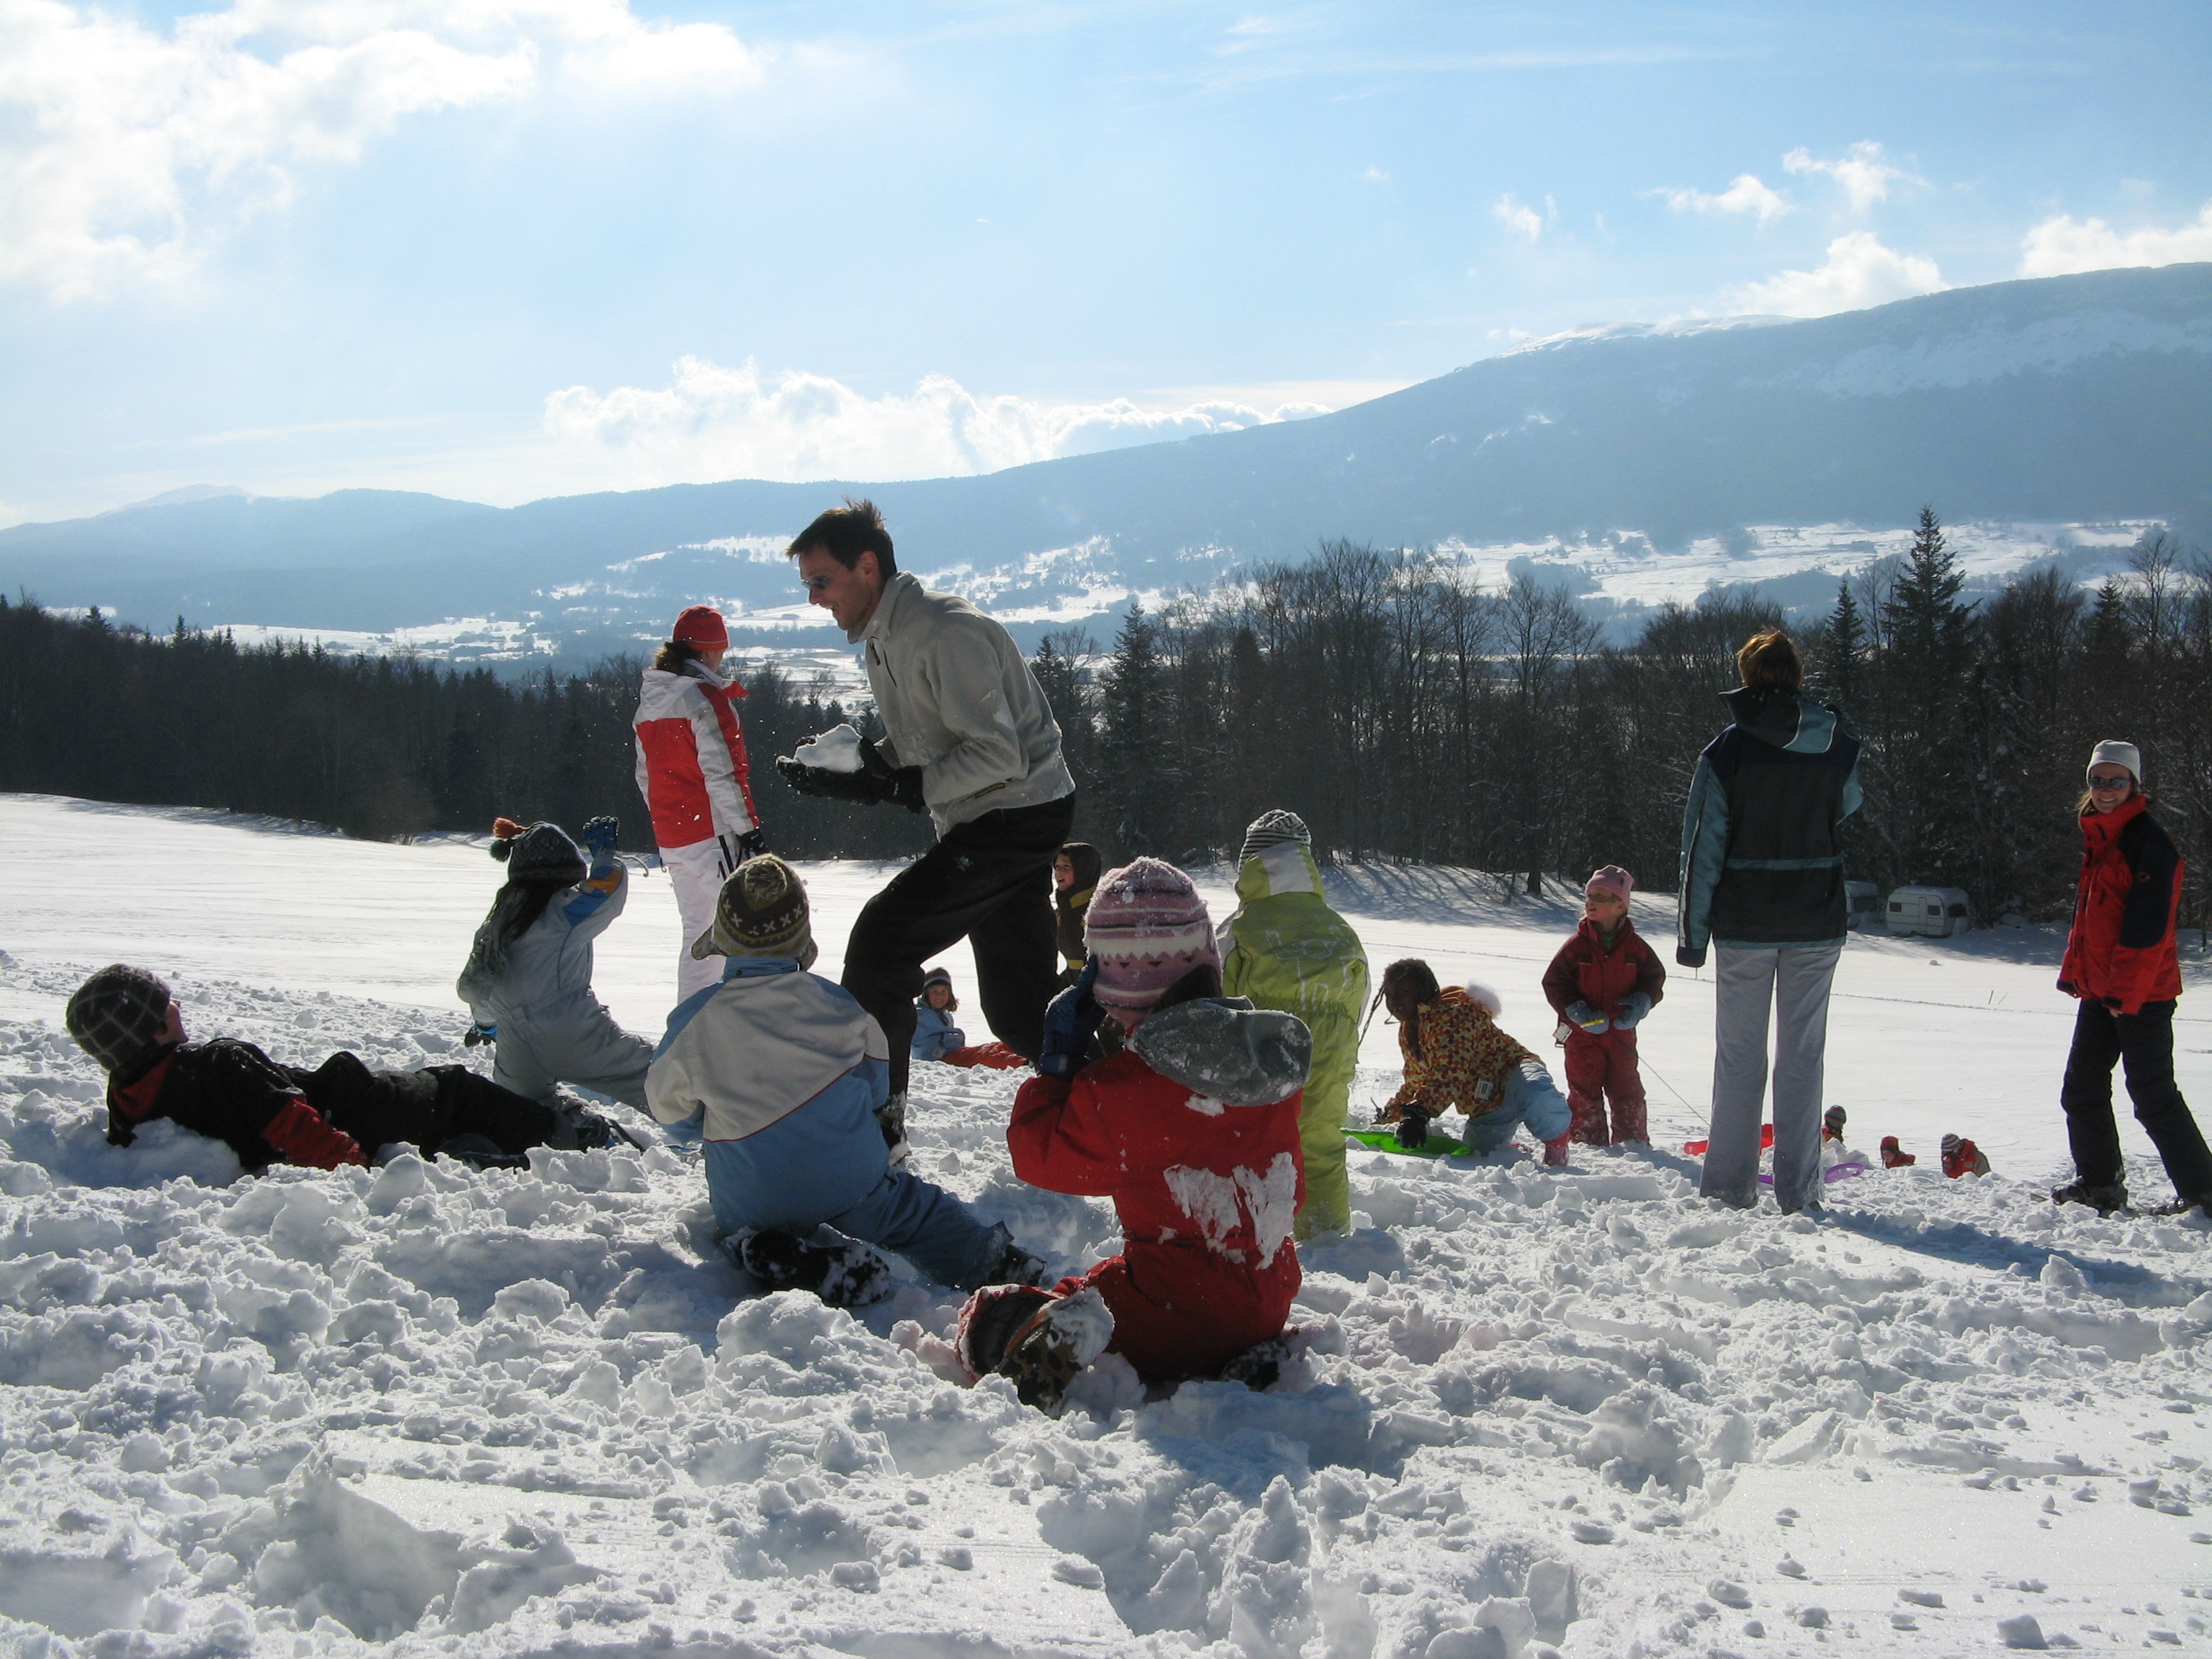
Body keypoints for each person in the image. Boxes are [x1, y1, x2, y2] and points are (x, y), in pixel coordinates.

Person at [953, 859, 1311, 1411]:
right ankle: (1242, 1358)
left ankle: (1020, 1348)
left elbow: (1040, 1158)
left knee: (1027, 1309)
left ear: (1111, 986)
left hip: (1171, 1313)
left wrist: (1055, 1070)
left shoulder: (1122, 1087)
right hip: (1271, 1295)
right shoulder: (1266, 1066)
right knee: (1118, 1280)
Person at [773, 499, 1076, 1143]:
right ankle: (1133, 1095)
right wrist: (856, 774)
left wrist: (902, 785)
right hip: (995, 817)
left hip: (1015, 815)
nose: (814, 600)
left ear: (866, 567)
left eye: (821, 581)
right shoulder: (888, 639)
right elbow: (923, 744)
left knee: (884, 941)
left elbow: (998, 755)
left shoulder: (943, 631)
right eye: (807, 585)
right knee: (1022, 1015)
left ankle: (875, 1134)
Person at [645, 854, 1043, 1305]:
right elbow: (875, 1088)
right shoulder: (838, 1005)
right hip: (852, 1178)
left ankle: (759, 1248)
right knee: (911, 1213)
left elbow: (670, 1113)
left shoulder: (695, 1022)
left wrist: (706, 1125)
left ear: (722, 941)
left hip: (753, 1192)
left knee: (740, 1227)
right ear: (801, 940)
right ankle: (994, 1263)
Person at [66, 966, 621, 1173]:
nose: (178, 1008)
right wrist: (358, 1167)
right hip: (352, 1108)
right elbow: (290, 1122)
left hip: (343, 1111)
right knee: (453, 1088)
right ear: (151, 1028)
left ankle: (462, 1147)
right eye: (166, 1006)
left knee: (443, 1101)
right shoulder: (217, 1062)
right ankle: (566, 1136)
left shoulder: (129, 1096)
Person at [1676, 629, 1861, 1215]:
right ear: (1799, 676)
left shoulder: (1726, 752)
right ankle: (1799, 1192)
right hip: (1816, 914)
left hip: (1746, 921)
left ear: (1747, 676)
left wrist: (1692, 935)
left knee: (1739, 1059)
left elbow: (1702, 849)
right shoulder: (1836, 741)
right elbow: (1849, 804)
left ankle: (1729, 1189)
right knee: (1803, 1058)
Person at [2051, 739, 2212, 1217]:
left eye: (2116, 781)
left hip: (2142, 993)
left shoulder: (2149, 842)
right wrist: (2078, 976)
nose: (2105, 790)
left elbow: (2147, 930)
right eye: (2097, 780)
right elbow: (2093, 922)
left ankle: (2203, 1192)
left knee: (2153, 1094)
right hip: (2102, 990)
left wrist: (2124, 993)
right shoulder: (2101, 838)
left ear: (2133, 784)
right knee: (2081, 1088)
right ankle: (2101, 1185)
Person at [1216, 810, 1369, 1238]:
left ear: (1250, 864)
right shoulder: (1341, 931)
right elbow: (1360, 998)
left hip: (1258, 1058)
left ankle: (1255, 1235)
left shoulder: (1240, 930)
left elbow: (1214, 996)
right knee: (1319, 1141)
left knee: (1253, 1144)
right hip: (1329, 1056)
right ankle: (1327, 1234)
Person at [457, 817, 655, 1109]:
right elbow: (605, 892)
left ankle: (572, 1131)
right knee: (660, 1077)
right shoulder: (563, 911)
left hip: (514, 1043)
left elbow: (480, 982)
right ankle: (719, 1133)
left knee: (526, 1111)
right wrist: (607, 856)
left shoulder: (497, 922)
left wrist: (486, 1024)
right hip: (572, 1033)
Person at [634, 605, 765, 1004]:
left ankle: (689, 1026)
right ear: (710, 651)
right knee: (749, 930)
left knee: (699, 933)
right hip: (713, 834)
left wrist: (667, 820)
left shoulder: (651, 702)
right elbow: (725, 770)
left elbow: (645, 775)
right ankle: (750, 1028)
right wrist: (748, 828)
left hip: (673, 837)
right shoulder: (703, 698)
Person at [1376, 961, 1573, 1164]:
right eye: (1388, 995)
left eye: (1402, 992)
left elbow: (1450, 1071)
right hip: (1486, 1102)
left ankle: (1557, 1145)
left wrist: (1420, 1112)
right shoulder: (1411, 1030)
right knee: (1479, 1155)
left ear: (1422, 990)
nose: (1393, 1001)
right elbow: (1418, 1080)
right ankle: (1510, 1150)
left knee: (1539, 1095)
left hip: (1514, 1073)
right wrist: (1393, 1112)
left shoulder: (1453, 1015)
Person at [1541, 865, 1665, 1146]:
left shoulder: (1637, 948)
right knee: (1584, 1088)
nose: (1591, 902)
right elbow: (1554, 983)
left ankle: (1632, 1142)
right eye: (1589, 896)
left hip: (1620, 1032)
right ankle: (1588, 1142)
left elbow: (1653, 979)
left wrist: (1640, 1003)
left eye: (1600, 896)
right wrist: (1575, 1010)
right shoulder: (1576, 947)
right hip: (1582, 1034)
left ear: (1621, 906)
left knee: (1627, 1088)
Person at [912, 967, 1026, 1071]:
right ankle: (1024, 1063)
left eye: (944, 992)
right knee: (985, 1055)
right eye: (935, 992)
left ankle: (1029, 1051)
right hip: (941, 1058)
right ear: (926, 994)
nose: (939, 996)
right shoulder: (920, 1016)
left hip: (954, 1053)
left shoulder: (944, 1014)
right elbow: (914, 1042)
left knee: (995, 1046)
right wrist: (938, 1053)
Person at [1054, 842, 1103, 988]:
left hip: (1099, 989)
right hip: (1073, 982)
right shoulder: (1063, 911)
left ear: (1084, 870)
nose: (1058, 873)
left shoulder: (1098, 910)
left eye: (1066, 867)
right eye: (1057, 867)